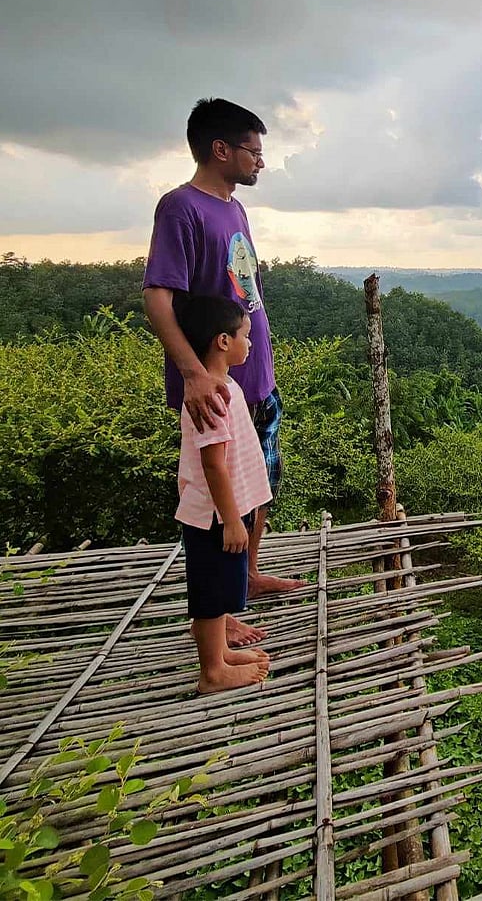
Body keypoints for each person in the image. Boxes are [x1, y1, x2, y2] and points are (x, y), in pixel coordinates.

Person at [143, 98, 302, 648]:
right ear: (220, 149)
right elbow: (158, 297)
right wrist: (192, 373)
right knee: (218, 502)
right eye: (253, 151)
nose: (260, 162)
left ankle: (247, 580)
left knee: (258, 488)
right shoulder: (180, 207)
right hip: (213, 383)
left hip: (254, 377)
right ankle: (218, 611)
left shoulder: (235, 208)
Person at [173, 293, 271, 693]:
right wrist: (232, 520)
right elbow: (213, 464)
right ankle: (212, 672)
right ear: (222, 341)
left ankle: (220, 654)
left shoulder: (222, 386)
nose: (251, 343)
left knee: (216, 589)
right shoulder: (211, 396)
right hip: (214, 515)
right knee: (210, 595)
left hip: (224, 511)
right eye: (245, 336)